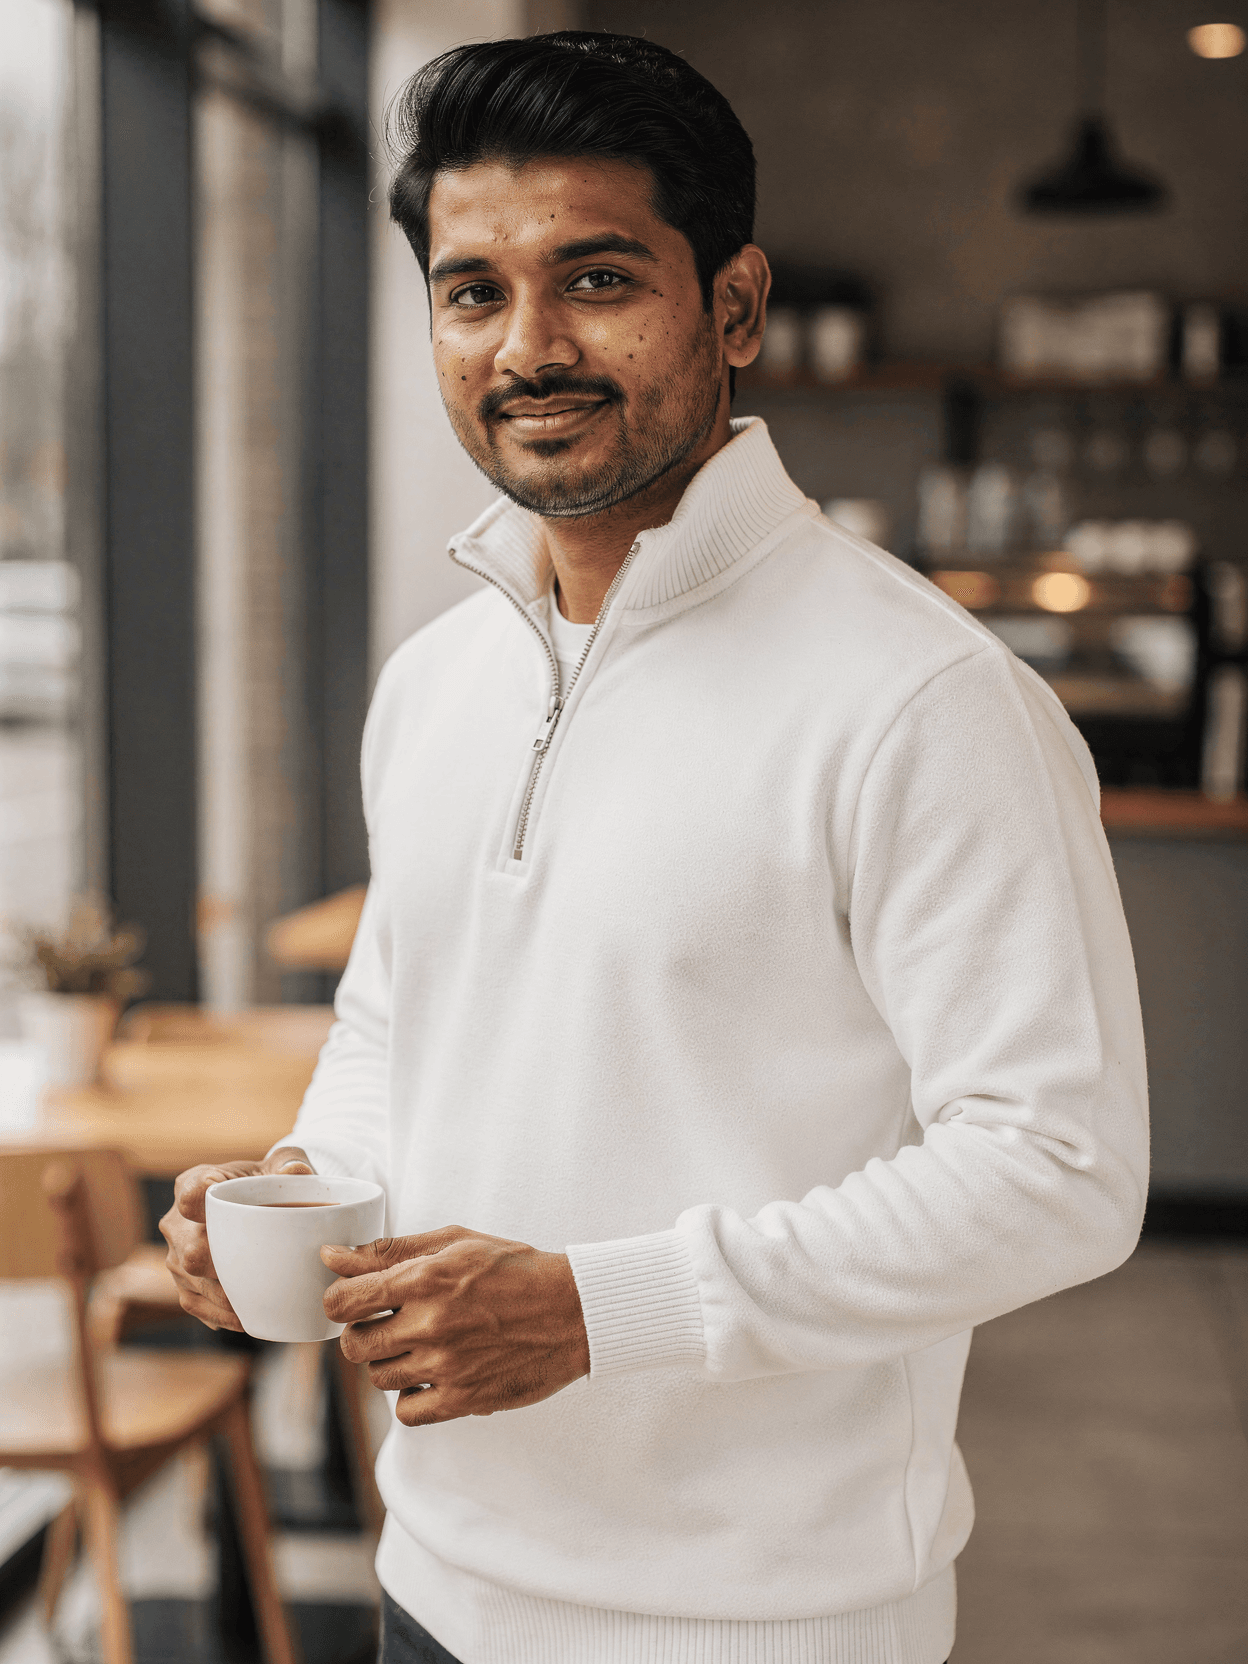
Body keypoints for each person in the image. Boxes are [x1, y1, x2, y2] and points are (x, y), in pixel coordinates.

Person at [162, 31, 1149, 1664]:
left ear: (736, 308)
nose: (527, 344)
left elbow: (1059, 1172)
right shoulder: (436, 683)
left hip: (763, 1621)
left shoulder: (925, 699)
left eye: (597, 277)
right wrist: (302, 1187)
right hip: (441, 1577)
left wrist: (595, 1309)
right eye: (473, 291)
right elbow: (399, 1025)